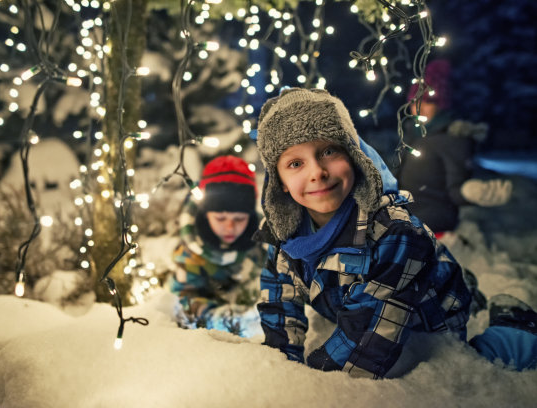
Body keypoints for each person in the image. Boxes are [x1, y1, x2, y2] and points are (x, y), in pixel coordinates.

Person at [253, 87, 535, 379]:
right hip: (357, 308)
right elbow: (279, 300)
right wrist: (283, 364)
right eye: (295, 163)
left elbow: (369, 337)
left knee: (456, 366)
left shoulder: (394, 233)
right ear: (280, 181)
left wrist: (316, 379)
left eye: (328, 151)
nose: (317, 172)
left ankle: (515, 327)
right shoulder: (284, 234)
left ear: (353, 155)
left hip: (427, 318)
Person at [397, 59, 512, 236]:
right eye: (414, 101)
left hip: (434, 230)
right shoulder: (414, 136)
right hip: (407, 223)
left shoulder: (452, 139)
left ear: (441, 106)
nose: (418, 108)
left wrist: (470, 192)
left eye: (427, 102)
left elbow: (455, 189)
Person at [170, 155, 266, 337]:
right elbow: (185, 298)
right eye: (220, 218)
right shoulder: (190, 252)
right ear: (206, 214)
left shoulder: (263, 239)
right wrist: (220, 319)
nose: (230, 227)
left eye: (239, 219)